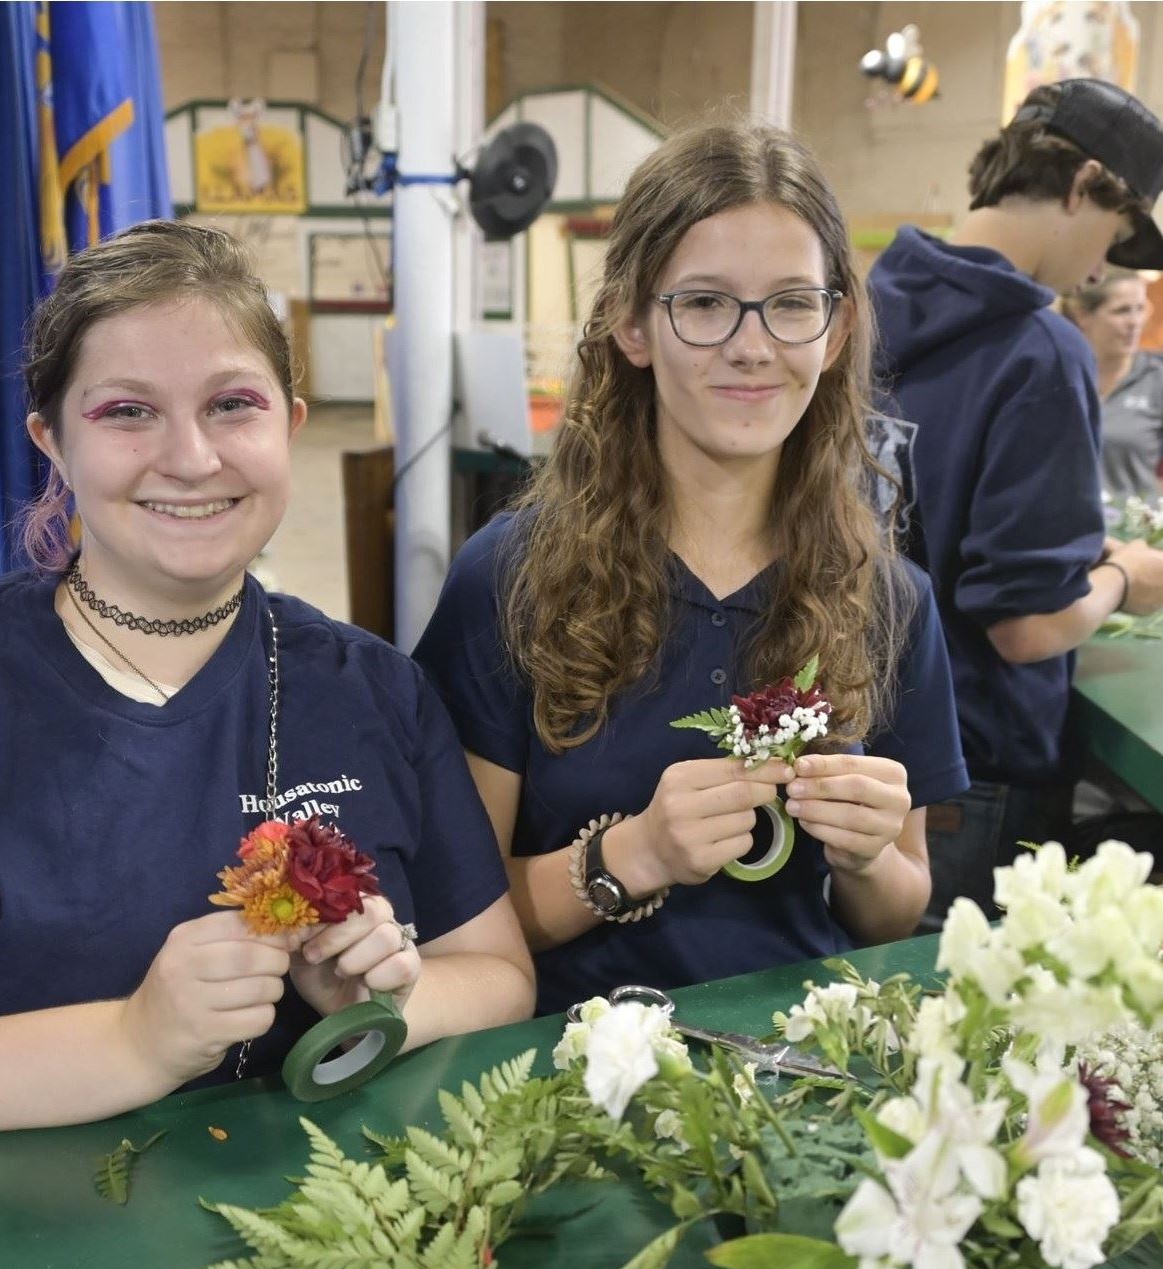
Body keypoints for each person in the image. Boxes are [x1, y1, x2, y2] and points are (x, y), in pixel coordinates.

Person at [0, 222, 534, 1169]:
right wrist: (133, 1041)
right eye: (126, 413)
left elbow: (499, 977)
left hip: (328, 1238)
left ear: (289, 426)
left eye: (233, 404)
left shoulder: (376, 689)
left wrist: (384, 998)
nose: (190, 458)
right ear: (51, 441)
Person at [413, 121, 968, 1018]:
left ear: (836, 331)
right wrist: (633, 858)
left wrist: (867, 858)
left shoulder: (889, 596)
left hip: (801, 1075)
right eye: (705, 304)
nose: (752, 346)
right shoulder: (508, 579)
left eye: (792, 303)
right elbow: (448, 927)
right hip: (564, 1072)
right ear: (633, 323)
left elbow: (898, 912)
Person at [870, 78, 1163, 921]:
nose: (1102, 266)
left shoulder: (868, 306)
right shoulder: (1040, 351)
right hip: (981, 768)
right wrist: (1122, 580)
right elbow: (1027, 626)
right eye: (1112, 232)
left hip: (873, 741)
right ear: (1083, 185)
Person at [1062, 267, 1163, 507]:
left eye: (1140, 309)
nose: (1135, 322)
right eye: (1122, 311)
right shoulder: (1059, 375)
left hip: (1137, 535)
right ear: (1082, 315)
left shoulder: (1155, 378)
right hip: (1068, 532)